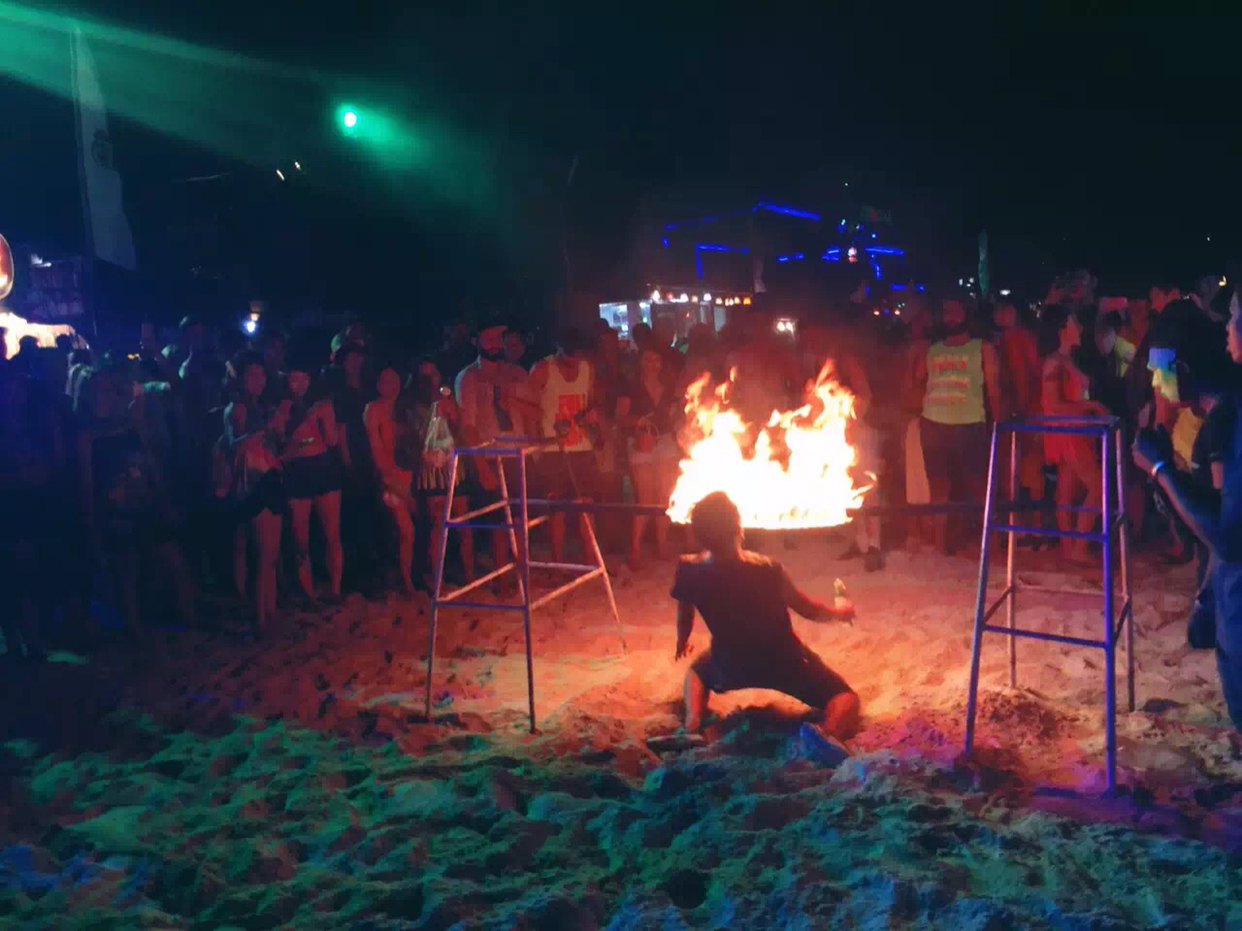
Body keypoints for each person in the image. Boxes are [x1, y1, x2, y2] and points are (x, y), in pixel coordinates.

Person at [1133, 298, 1242, 730]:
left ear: (1185, 367)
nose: (1155, 381)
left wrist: (1161, 471)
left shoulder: (1227, 421)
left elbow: (1228, 536)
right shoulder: (1220, 412)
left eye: (1160, 369)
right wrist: (1207, 598)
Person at [672, 492, 860, 744]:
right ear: (739, 528)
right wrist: (840, 612)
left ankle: (693, 721)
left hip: (730, 662)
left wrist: (682, 640)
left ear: (698, 534)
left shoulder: (688, 569)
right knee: (845, 697)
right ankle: (827, 734)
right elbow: (807, 609)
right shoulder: (767, 569)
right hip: (783, 662)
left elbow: (685, 612)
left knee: (696, 672)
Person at [911, 299, 1003, 553]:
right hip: (933, 424)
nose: (950, 317)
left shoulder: (982, 348)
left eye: (955, 312)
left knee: (980, 485)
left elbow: (994, 389)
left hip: (969, 423)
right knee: (939, 486)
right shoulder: (933, 349)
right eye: (946, 312)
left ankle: (991, 544)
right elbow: (917, 381)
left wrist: (998, 423)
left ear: (966, 315)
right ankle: (940, 545)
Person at [455, 324, 531, 573]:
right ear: (476, 341)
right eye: (488, 337)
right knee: (499, 520)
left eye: (498, 337)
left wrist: (514, 402)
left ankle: (521, 571)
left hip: (518, 453)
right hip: (490, 456)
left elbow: (536, 411)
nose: (495, 343)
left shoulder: (516, 373)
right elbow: (468, 426)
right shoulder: (469, 377)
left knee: (519, 517)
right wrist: (481, 467)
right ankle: (502, 576)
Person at [527, 325, 605, 562]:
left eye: (577, 354)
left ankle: (591, 560)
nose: (573, 360)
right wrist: (536, 445)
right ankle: (558, 561)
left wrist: (593, 417)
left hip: (582, 447)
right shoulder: (542, 369)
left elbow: (593, 401)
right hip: (553, 450)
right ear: (558, 348)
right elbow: (531, 409)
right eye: (569, 354)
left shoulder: (587, 368)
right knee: (557, 510)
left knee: (587, 506)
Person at [1038, 306, 1110, 564]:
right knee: (1099, 487)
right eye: (1073, 323)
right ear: (1062, 330)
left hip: (1073, 430)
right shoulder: (1055, 362)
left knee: (1067, 492)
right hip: (1069, 432)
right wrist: (1092, 407)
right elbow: (1055, 404)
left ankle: (1070, 549)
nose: (1078, 327)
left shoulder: (1065, 360)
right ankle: (1078, 547)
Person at [398, 359, 474, 588]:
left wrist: (453, 415)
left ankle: (470, 574)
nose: (429, 380)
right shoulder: (411, 407)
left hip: (454, 467)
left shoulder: (449, 400)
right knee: (437, 525)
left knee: (463, 523)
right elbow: (420, 439)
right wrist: (434, 412)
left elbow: (461, 431)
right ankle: (436, 578)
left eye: (433, 374)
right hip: (430, 470)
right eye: (424, 376)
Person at [282, 361, 343, 602]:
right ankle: (308, 593)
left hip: (322, 467)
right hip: (297, 471)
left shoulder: (322, 405)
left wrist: (323, 419)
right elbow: (283, 446)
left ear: (309, 380)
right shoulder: (282, 407)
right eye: (292, 380)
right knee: (301, 539)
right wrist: (304, 433)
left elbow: (332, 441)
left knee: (332, 533)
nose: (297, 385)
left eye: (301, 379)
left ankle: (336, 589)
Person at [617, 346, 681, 567]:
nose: (652, 364)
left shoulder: (669, 387)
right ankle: (635, 549)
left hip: (665, 442)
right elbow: (620, 417)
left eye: (656, 360)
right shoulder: (631, 387)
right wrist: (639, 421)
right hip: (641, 442)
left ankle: (661, 545)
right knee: (645, 499)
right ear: (640, 361)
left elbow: (675, 413)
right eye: (648, 359)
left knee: (664, 497)